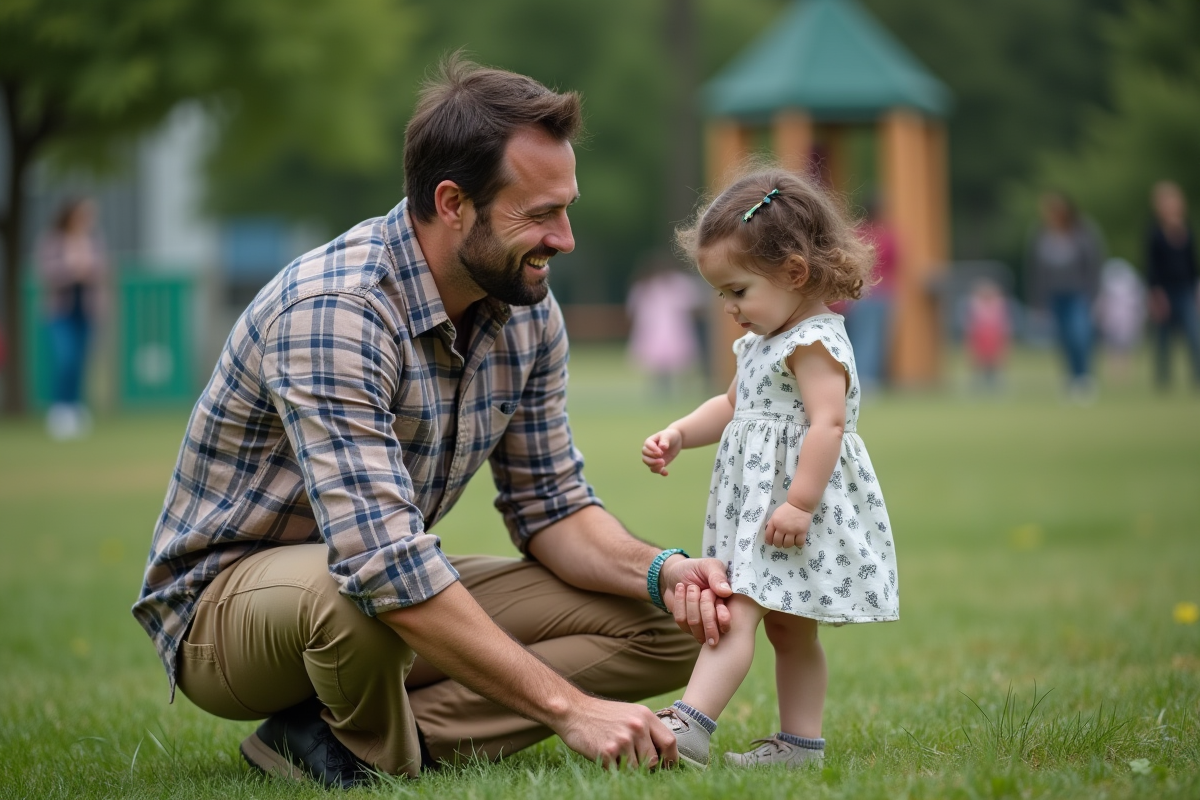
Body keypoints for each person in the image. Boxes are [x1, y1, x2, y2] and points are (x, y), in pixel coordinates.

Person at [132, 57, 735, 788]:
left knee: (674, 624)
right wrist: (571, 709)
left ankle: (331, 742)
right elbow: (382, 562)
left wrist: (663, 571)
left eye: (566, 207)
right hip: (228, 616)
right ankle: (367, 746)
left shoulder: (525, 309)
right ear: (453, 203)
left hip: (375, 586)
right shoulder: (337, 312)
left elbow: (552, 505)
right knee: (354, 594)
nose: (565, 238)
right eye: (540, 213)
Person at [640, 169, 898, 769]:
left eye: (737, 291)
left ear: (794, 273)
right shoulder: (761, 341)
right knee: (785, 628)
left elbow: (828, 424)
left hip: (788, 510)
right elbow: (733, 406)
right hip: (760, 508)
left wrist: (800, 503)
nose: (729, 309)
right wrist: (680, 433)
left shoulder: (812, 343)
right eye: (721, 295)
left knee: (742, 612)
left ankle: (692, 726)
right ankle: (800, 747)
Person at [36, 197, 108, 439]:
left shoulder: (93, 240)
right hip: (61, 311)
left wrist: (87, 268)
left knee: (80, 361)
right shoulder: (54, 240)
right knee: (65, 358)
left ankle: (76, 408)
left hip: (85, 310)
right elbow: (47, 272)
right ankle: (59, 409)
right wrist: (72, 270)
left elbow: (102, 269)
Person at [1026, 191, 1104, 401]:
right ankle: (1071, 378)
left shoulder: (1083, 231)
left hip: (1079, 293)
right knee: (1064, 339)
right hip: (1054, 294)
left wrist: (1096, 294)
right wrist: (1037, 302)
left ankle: (1084, 376)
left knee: (1079, 335)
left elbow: (1094, 264)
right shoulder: (1041, 234)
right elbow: (1035, 271)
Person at [1146, 180, 1200, 390]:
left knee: (1193, 334)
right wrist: (1155, 293)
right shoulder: (1154, 232)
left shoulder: (1186, 229)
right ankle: (1163, 381)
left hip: (1185, 289)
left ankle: (1197, 376)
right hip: (1163, 290)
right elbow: (1151, 265)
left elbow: (1192, 262)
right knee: (1163, 338)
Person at [626, 254, 703, 396]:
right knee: (658, 362)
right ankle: (662, 390)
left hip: (675, 328)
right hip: (653, 330)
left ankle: (682, 390)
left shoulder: (678, 283)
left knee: (680, 360)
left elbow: (694, 305)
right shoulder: (646, 286)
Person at [843, 199, 898, 392]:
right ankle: (866, 380)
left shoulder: (858, 234)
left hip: (858, 293)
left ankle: (859, 379)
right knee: (872, 339)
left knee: (859, 337)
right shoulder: (886, 235)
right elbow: (896, 261)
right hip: (880, 293)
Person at [1094, 258, 1146, 385]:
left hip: (1122, 324)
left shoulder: (1129, 290)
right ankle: (1117, 374)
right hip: (1115, 323)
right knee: (1116, 349)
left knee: (1122, 349)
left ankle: (1121, 375)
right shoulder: (1129, 290)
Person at [964, 277, 1010, 391]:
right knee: (978, 361)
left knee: (994, 362)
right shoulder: (975, 305)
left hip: (994, 337)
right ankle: (978, 384)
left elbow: (1004, 324)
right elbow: (970, 324)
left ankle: (993, 383)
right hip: (979, 337)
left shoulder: (999, 305)